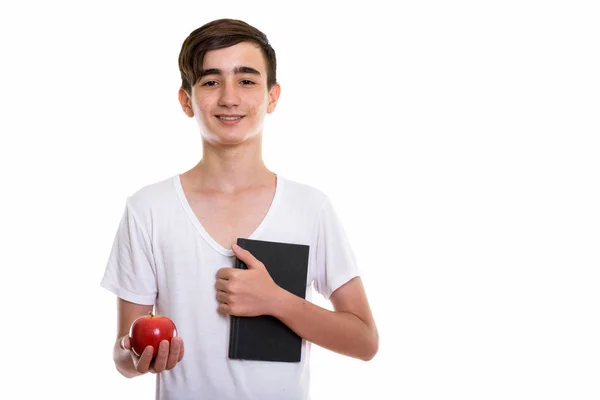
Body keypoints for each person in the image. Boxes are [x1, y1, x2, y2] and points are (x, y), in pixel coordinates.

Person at [100, 18, 379, 400]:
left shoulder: (310, 208)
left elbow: (364, 341)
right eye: (211, 81)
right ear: (187, 100)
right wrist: (137, 358)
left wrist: (275, 301)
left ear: (272, 96)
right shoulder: (148, 209)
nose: (229, 97)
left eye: (246, 80)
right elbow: (124, 355)